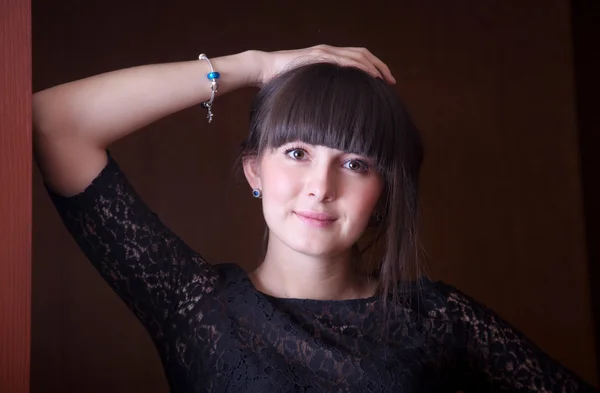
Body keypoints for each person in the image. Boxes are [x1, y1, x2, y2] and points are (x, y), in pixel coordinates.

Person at [33, 45, 597, 392]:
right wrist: (257, 66)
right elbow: (53, 120)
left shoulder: (437, 319)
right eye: (297, 152)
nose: (320, 188)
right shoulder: (192, 305)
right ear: (255, 171)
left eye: (354, 163)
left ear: (384, 190)